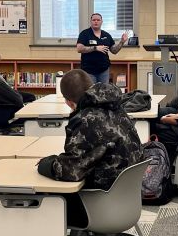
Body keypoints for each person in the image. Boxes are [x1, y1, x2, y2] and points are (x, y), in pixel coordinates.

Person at [37, 69, 142, 227]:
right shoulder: (116, 107)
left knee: (42, 198)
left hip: (100, 206)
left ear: (68, 102)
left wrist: (46, 163)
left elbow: (70, 172)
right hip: (126, 200)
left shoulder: (86, 120)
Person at [75, 13, 128, 84]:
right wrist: (95, 48)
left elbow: (114, 51)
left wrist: (122, 42)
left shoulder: (106, 35)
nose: (96, 21)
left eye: (98, 20)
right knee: (91, 93)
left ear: (101, 22)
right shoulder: (84, 34)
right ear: (91, 22)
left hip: (104, 70)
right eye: (94, 20)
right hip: (89, 71)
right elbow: (79, 48)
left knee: (103, 92)